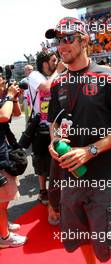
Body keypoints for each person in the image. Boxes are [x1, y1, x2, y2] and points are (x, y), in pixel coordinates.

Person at [46, 17, 111, 263]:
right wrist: (54, 143)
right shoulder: (58, 84)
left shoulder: (108, 77)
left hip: (102, 175)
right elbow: (55, 125)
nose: (61, 45)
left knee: (105, 246)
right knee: (79, 237)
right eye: (58, 40)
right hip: (69, 175)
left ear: (84, 40)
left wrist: (89, 150)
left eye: (67, 39)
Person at [27, 51, 61, 205]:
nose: (57, 62)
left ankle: (58, 190)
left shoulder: (55, 74)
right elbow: (46, 88)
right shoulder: (35, 75)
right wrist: (59, 71)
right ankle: (43, 191)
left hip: (57, 124)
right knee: (41, 160)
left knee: (59, 158)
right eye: (54, 60)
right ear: (45, 63)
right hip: (40, 126)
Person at [0, 74, 27, 248]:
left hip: (5, 153)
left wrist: (14, 99)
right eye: (1, 82)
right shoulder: (4, 100)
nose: (3, 84)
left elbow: (16, 113)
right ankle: (4, 238)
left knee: (5, 199)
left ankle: (3, 226)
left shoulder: (4, 99)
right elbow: (3, 116)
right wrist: (9, 96)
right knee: (1, 201)